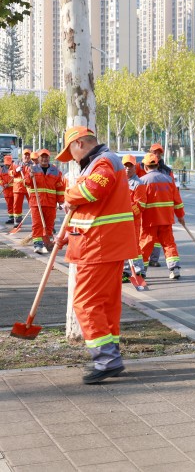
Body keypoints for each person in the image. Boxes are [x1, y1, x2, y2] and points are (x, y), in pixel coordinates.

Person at [55, 126, 138, 383]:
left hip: (98, 247)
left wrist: (68, 195)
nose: (73, 160)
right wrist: (69, 232)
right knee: (106, 303)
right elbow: (96, 209)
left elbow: (92, 192)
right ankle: (110, 355)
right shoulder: (99, 162)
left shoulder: (104, 162)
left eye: (72, 153)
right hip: (102, 244)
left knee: (86, 303)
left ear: (79, 143)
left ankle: (106, 360)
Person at [139, 152, 185, 279]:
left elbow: (140, 203)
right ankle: (174, 269)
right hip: (166, 219)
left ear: (145, 166)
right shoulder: (169, 180)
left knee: (145, 245)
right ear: (157, 165)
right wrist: (180, 216)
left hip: (149, 221)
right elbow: (177, 201)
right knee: (169, 243)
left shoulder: (142, 181)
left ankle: (141, 272)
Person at [24, 149, 65, 254]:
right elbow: (27, 183)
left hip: (51, 203)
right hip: (36, 202)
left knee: (49, 225)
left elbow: (60, 188)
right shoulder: (32, 169)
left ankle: (46, 243)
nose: (44, 159)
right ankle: (38, 245)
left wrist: (61, 202)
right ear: (38, 158)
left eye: (46, 157)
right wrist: (30, 176)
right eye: (42, 157)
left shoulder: (56, 171)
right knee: (37, 224)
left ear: (49, 158)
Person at [140, 143, 173, 267]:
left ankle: (148, 263)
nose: (157, 154)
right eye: (155, 152)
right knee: (148, 240)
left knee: (152, 240)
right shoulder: (140, 166)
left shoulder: (167, 171)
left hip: (155, 214)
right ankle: (144, 264)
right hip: (150, 212)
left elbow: (174, 192)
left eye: (159, 152)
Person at [121, 154, 146, 282]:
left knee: (135, 246)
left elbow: (141, 205)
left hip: (133, 221)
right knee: (122, 246)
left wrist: (126, 209)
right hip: (120, 220)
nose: (127, 168)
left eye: (130, 166)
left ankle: (138, 271)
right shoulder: (119, 182)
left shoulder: (138, 184)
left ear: (135, 167)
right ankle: (125, 271)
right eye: (125, 166)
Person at [11, 148, 32, 226]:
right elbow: (11, 173)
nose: (26, 157)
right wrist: (16, 170)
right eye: (25, 155)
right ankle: (17, 221)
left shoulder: (33, 164)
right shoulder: (16, 163)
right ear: (22, 155)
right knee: (17, 204)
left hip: (29, 188)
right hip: (18, 188)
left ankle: (35, 219)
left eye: (28, 155)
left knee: (33, 204)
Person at [1, 155, 14, 224]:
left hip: (14, 190)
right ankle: (11, 218)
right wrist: (3, 184)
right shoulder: (1, 170)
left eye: (8, 163)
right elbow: (0, 179)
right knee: (9, 205)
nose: (7, 165)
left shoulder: (15, 168)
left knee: (15, 205)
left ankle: (16, 218)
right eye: (6, 164)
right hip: (6, 191)